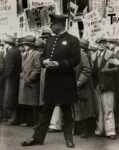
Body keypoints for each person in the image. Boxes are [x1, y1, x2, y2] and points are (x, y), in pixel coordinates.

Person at [21, 14, 80, 148]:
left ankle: (69, 139)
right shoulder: (50, 40)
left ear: (59, 24)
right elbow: (42, 56)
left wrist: (59, 64)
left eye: (52, 24)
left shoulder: (73, 40)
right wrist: (44, 62)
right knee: (46, 111)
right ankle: (37, 138)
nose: (51, 26)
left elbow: (76, 59)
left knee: (66, 112)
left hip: (65, 82)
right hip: (51, 82)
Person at [92, 38, 117, 139]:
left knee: (108, 108)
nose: (101, 45)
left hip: (108, 84)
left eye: (103, 43)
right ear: (96, 44)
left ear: (106, 44)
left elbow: (116, 69)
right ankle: (100, 129)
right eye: (99, 43)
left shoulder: (111, 54)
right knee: (99, 109)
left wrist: (107, 72)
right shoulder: (93, 55)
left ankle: (110, 131)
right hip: (97, 85)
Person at [74, 39, 98, 138]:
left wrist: (80, 81)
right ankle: (80, 129)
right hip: (78, 84)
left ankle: (85, 130)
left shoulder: (82, 54)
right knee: (79, 107)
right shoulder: (78, 54)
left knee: (84, 108)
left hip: (83, 85)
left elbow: (87, 70)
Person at [18, 35, 41, 126]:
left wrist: (30, 78)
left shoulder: (36, 54)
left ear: (30, 45)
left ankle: (35, 122)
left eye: (26, 44)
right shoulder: (25, 54)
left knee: (33, 103)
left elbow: (38, 68)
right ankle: (29, 121)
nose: (24, 46)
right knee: (27, 102)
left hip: (31, 82)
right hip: (25, 80)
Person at [2, 35, 21, 125]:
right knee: (11, 99)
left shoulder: (11, 52)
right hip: (14, 78)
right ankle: (12, 118)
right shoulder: (16, 51)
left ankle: (12, 119)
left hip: (11, 79)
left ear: (7, 44)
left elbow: (9, 67)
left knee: (10, 99)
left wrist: (4, 77)